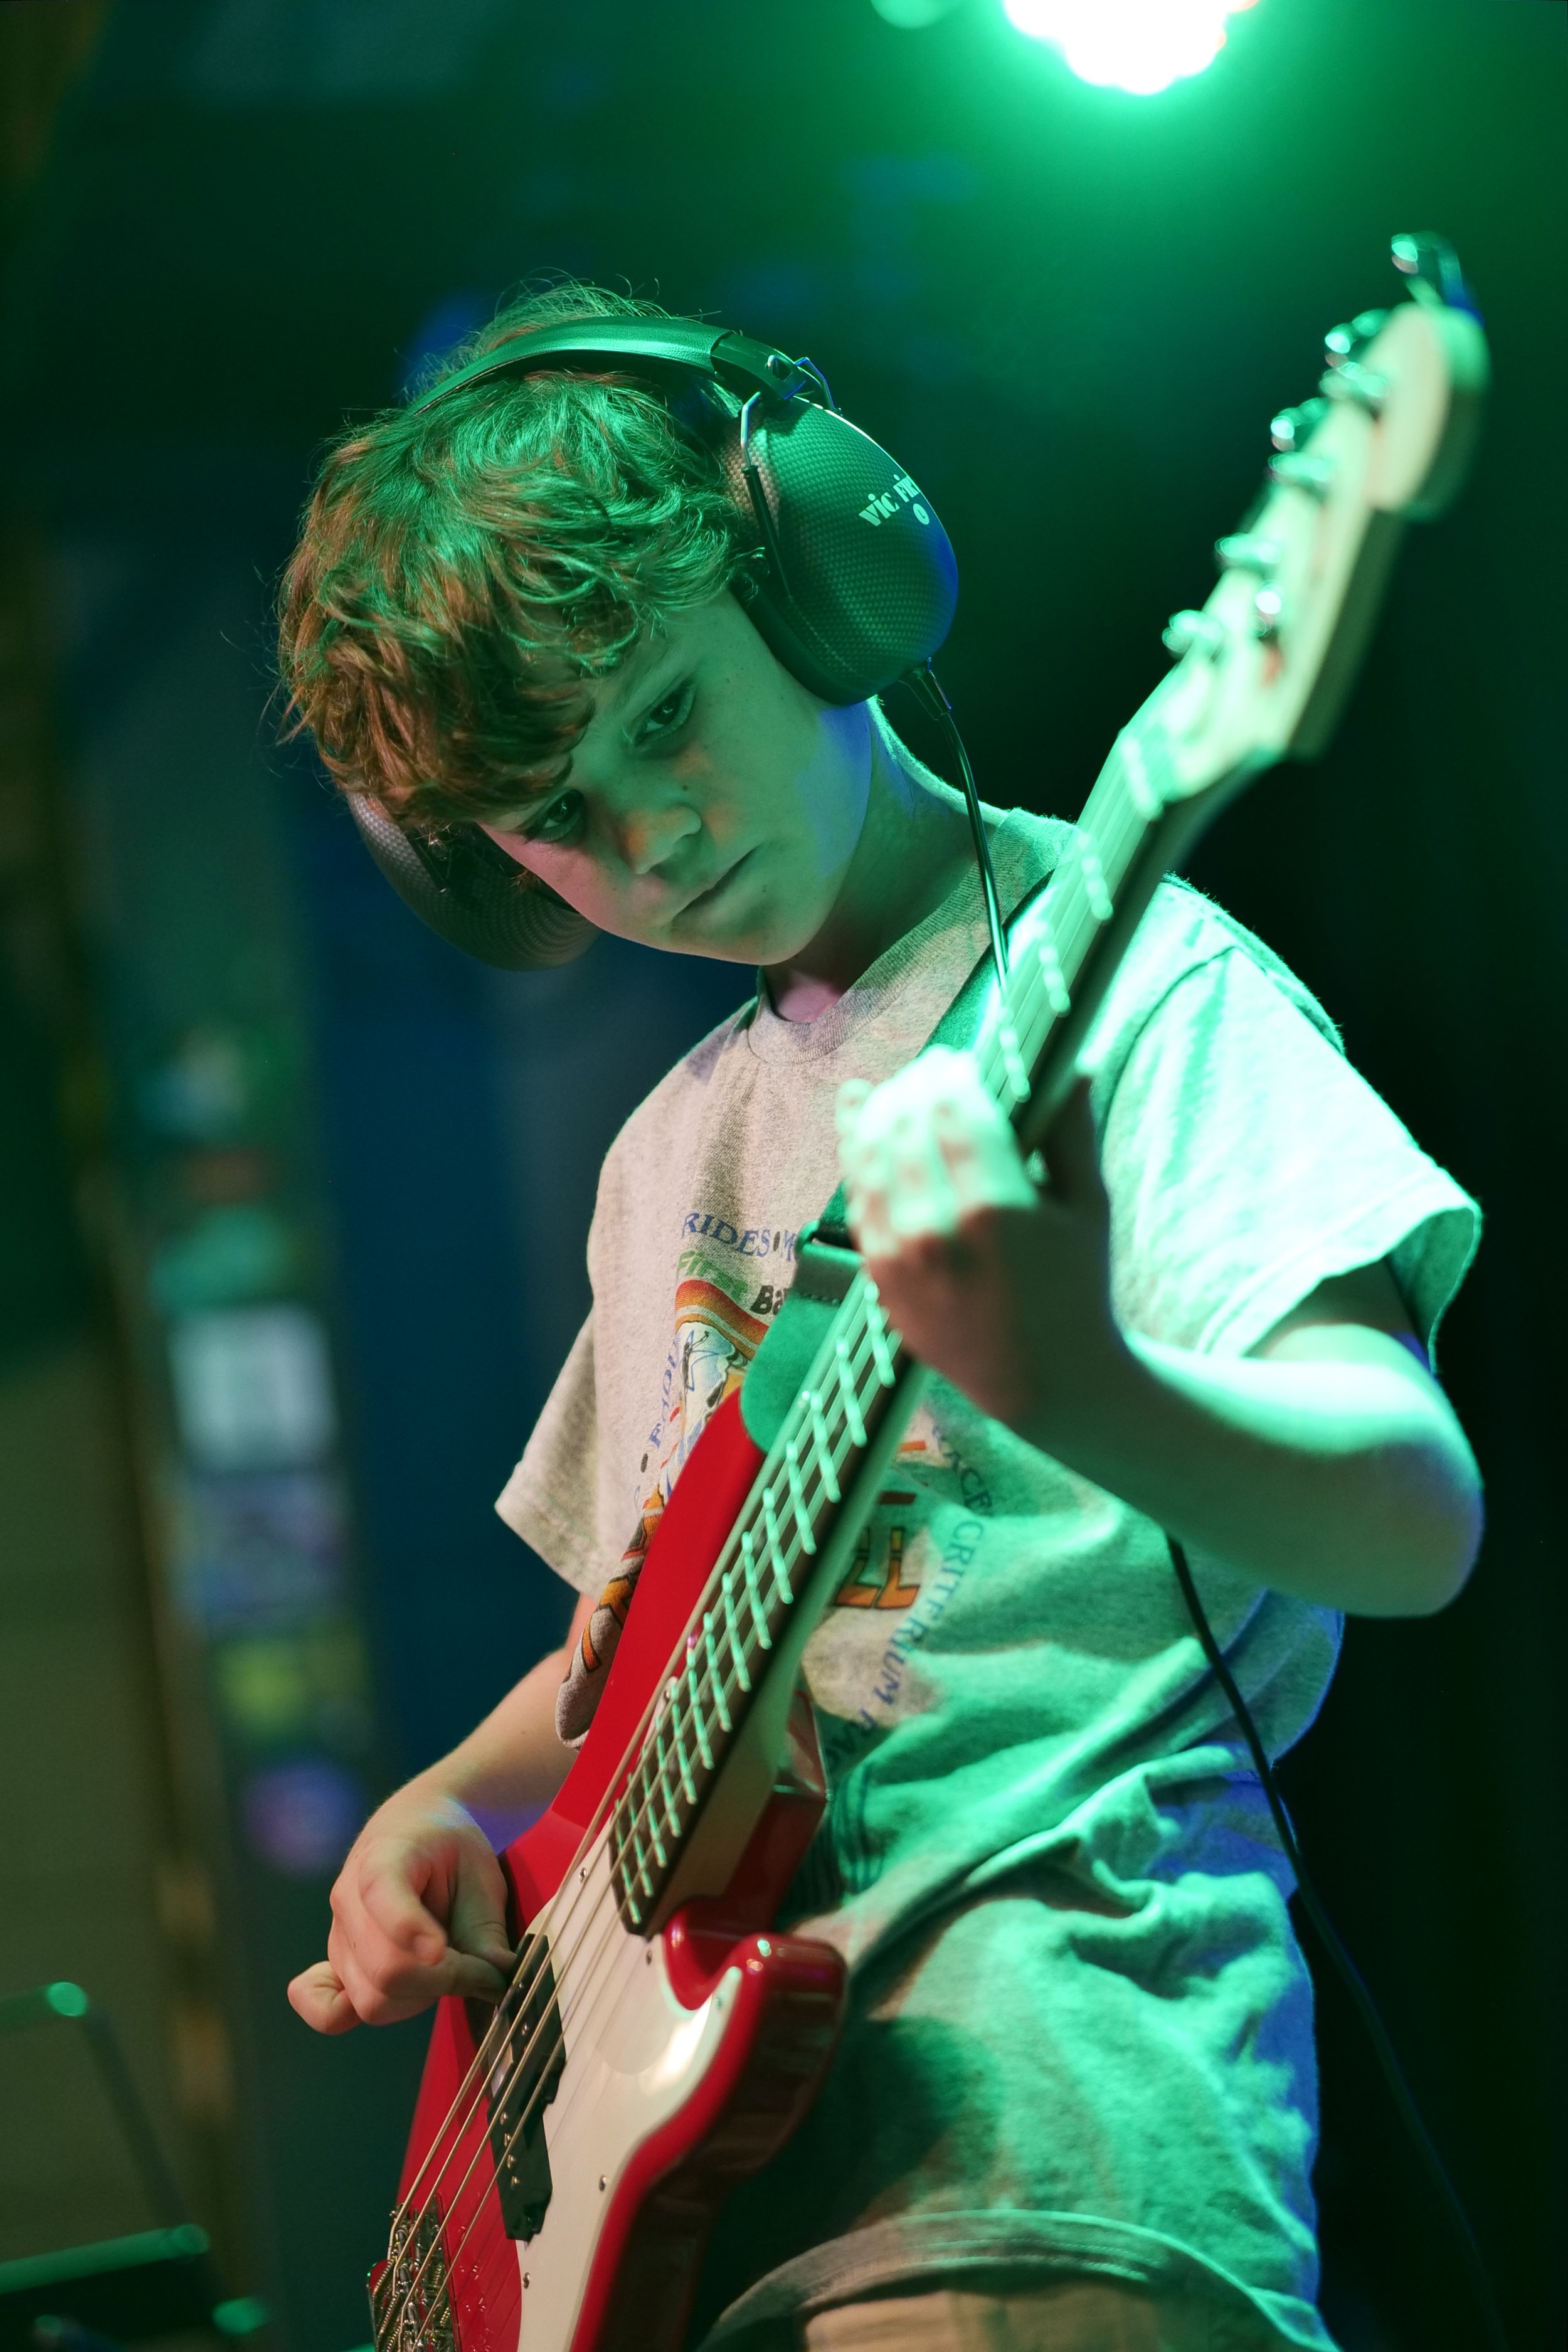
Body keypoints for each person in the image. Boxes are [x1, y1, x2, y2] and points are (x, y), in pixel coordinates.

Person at [277, 283, 1483, 2352]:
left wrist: (1072, 1378)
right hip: (705, 2213)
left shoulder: (1153, 993)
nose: (651, 833)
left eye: (665, 712)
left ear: (815, 578)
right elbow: (635, 1661)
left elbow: (1411, 1513)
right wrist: (447, 1808)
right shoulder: (668, 1153)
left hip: (1040, 2146)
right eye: (557, 817)